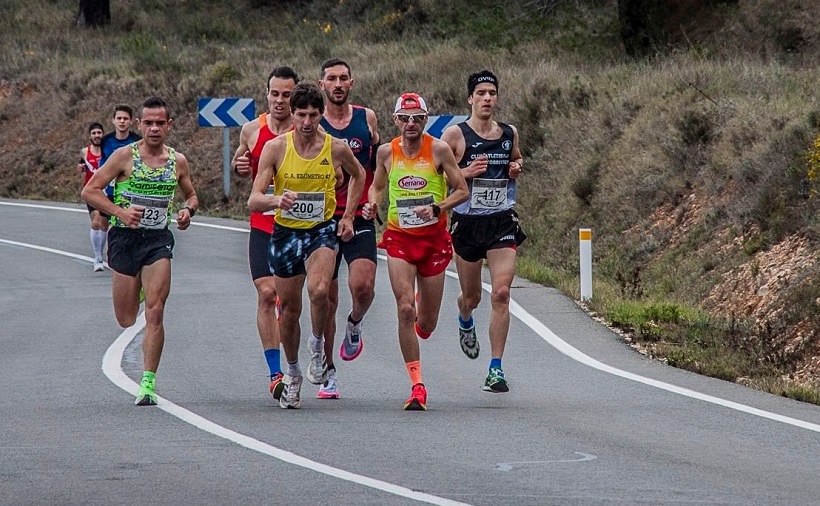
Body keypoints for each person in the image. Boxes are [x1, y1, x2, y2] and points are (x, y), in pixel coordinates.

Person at [248, 82, 365, 409]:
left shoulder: (335, 147)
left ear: (321, 114)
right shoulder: (276, 148)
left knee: (318, 291)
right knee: (289, 310)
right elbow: (253, 200)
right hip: (286, 234)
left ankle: (316, 349)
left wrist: (349, 217)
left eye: (314, 115)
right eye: (302, 115)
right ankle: (294, 372)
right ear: (293, 114)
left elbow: (359, 175)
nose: (308, 122)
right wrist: (276, 199)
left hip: (321, 231)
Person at [82, 97, 198, 407]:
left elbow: (192, 196)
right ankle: (141, 290)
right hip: (124, 240)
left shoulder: (178, 161)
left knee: (156, 311)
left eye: (161, 123)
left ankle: (147, 382)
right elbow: (90, 191)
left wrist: (187, 211)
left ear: (169, 125)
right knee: (125, 318)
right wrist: (119, 213)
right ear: (139, 125)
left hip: (157, 240)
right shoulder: (123, 157)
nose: (155, 128)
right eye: (149, 123)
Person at [364, 93, 468, 410]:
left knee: (427, 324)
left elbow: (462, 190)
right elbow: (378, 185)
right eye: (405, 118)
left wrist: (438, 207)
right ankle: (417, 385)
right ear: (395, 120)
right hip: (399, 238)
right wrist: (372, 203)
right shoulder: (386, 152)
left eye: (417, 118)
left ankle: (424, 316)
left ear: (426, 120)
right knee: (405, 308)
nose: (411, 124)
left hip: (434, 240)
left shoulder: (438, 150)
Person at [441, 70, 526, 393]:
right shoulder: (455, 135)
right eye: (481, 93)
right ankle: (464, 316)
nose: (487, 98)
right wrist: (466, 172)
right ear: (470, 99)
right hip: (467, 223)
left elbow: (516, 160)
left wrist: (516, 168)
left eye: (492, 93)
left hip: (501, 220)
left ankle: (495, 369)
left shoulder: (509, 133)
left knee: (501, 293)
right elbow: (437, 177)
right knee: (473, 297)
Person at [231, 65, 299, 401]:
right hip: (263, 225)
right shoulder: (251, 130)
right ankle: (275, 374)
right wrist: (239, 166)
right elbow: (240, 163)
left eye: (287, 95)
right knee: (266, 293)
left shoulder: (307, 129)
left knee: (291, 302)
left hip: (298, 227)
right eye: (275, 94)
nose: (280, 101)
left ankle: (298, 363)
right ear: (267, 93)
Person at [316, 58, 380, 399]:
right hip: (324, 217)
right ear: (322, 84)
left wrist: (373, 199)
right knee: (326, 297)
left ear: (351, 83)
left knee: (364, 285)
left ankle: (354, 324)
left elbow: (373, 168)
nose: (337, 84)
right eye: (331, 79)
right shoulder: (315, 124)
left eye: (343, 78)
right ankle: (328, 372)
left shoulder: (366, 118)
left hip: (359, 215)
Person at [77, 122, 108, 271]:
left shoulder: (107, 150)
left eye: (99, 133)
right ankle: (98, 258)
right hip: (91, 191)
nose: (97, 136)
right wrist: (81, 167)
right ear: (90, 136)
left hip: (106, 191)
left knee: (104, 225)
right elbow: (82, 163)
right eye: (94, 133)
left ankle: (100, 252)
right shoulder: (85, 151)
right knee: (96, 222)